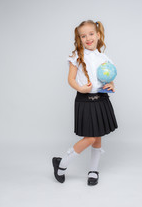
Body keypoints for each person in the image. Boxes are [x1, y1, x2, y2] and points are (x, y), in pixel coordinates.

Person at [52, 20, 118, 186]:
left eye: (91, 34)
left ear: (98, 35)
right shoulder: (76, 56)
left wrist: (111, 85)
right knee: (89, 138)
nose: (88, 38)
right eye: (83, 36)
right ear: (79, 38)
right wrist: (81, 89)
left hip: (101, 99)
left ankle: (93, 170)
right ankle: (62, 164)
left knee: (97, 137)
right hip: (85, 100)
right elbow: (71, 79)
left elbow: (109, 78)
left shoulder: (104, 57)